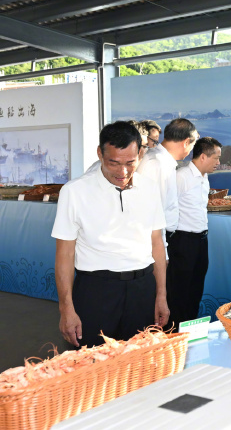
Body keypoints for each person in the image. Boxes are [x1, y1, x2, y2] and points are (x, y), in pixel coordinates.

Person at [52, 121, 169, 348]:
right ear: (100, 153)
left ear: (140, 154)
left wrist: (161, 295)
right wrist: (66, 309)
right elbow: (64, 255)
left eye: (130, 163)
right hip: (96, 292)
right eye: (113, 163)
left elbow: (157, 243)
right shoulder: (74, 192)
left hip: (143, 288)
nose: (122, 171)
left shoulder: (149, 188)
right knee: (91, 366)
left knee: (140, 366)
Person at [166, 137, 222, 329]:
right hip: (182, 241)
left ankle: (190, 333)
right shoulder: (181, 176)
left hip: (201, 241)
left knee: (196, 289)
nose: (218, 163)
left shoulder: (204, 178)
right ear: (203, 156)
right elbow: (168, 207)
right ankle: (174, 336)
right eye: (216, 158)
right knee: (179, 292)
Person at [137, 118, 198, 250]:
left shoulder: (161, 160)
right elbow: (153, 213)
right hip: (157, 240)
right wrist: (162, 252)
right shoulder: (157, 164)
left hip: (163, 237)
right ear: (186, 142)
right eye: (192, 145)